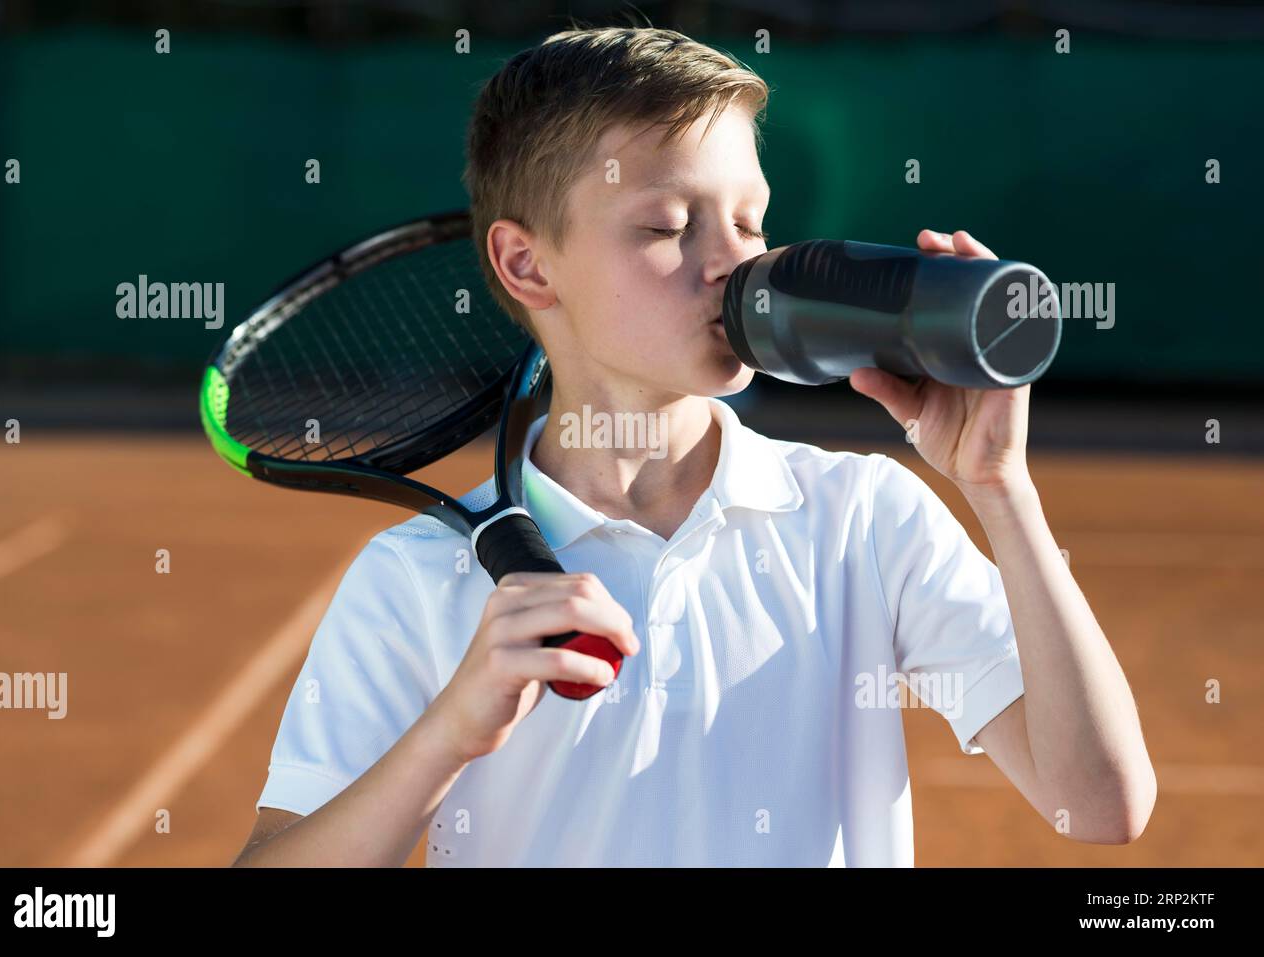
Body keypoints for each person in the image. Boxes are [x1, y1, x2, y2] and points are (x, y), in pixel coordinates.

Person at [234, 25, 1155, 867]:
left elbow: (1102, 805)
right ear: (526, 264)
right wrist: (448, 733)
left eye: (750, 220)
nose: (733, 261)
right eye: (668, 227)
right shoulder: (419, 578)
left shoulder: (864, 518)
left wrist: (1001, 487)